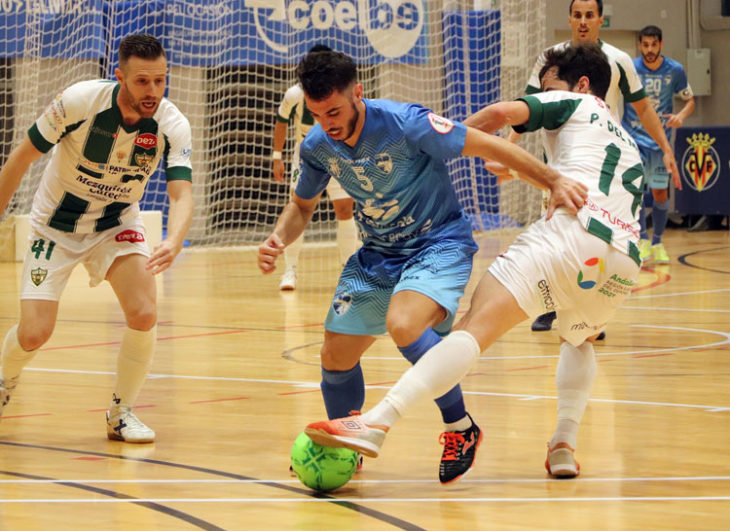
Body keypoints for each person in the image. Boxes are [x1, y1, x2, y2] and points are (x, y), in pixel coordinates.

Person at [305, 43, 640, 480]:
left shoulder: (573, 100)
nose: (539, 91)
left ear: (579, 85)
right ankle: (562, 443)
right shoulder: (622, 138)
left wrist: (438, 144)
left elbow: (501, 114)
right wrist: (520, 170)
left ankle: (377, 421)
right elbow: (592, 177)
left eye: (546, 85)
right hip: (621, 262)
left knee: (469, 331)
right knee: (578, 340)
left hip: (569, 237)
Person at [0, 34, 194, 443]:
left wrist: (174, 240)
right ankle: (4, 381)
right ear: (119, 76)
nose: (153, 92)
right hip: (55, 227)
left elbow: (181, 194)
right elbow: (20, 158)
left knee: (143, 312)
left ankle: (121, 413)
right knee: (35, 332)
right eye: (143, 82)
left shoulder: (172, 123)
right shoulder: (78, 101)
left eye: (161, 81)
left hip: (115, 224)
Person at [516, 0, 678, 333]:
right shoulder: (551, 59)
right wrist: (507, 146)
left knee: (596, 241)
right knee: (554, 237)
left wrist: (665, 147)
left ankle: (587, 312)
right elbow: (526, 109)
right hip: (558, 166)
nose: (583, 21)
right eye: (577, 15)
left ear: (601, 20)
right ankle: (551, 307)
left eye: (590, 15)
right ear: (570, 19)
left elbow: (644, 110)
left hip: (602, 169)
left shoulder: (618, 60)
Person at [272, 45, 358, 290]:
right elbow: (281, 123)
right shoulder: (294, 94)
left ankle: (347, 269)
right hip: (306, 155)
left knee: (344, 210)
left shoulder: (338, 92)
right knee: (297, 208)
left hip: (337, 152)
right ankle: (290, 271)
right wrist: (276, 156)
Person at [622, 25, 694, 264]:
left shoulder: (675, 70)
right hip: (633, 140)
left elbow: (689, 100)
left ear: (661, 44)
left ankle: (658, 242)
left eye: (654, 45)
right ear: (640, 45)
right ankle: (642, 239)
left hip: (660, 142)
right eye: (645, 45)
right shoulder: (631, 67)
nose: (649, 49)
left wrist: (680, 117)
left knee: (660, 192)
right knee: (638, 191)